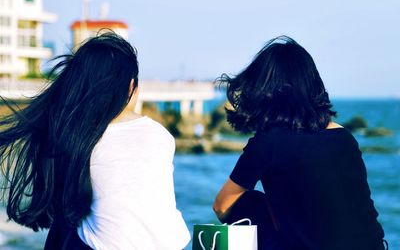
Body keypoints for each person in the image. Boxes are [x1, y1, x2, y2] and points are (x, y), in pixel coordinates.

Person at [0, 33, 190, 249]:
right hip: (173, 244)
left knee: (66, 220)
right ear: (132, 87)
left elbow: (68, 207)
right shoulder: (162, 136)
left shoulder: (77, 137)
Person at [213, 36, 387, 250]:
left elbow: (222, 206)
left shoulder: (269, 143)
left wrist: (268, 210)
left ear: (265, 90)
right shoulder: (345, 138)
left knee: (251, 202)